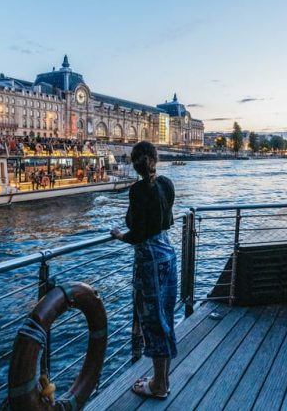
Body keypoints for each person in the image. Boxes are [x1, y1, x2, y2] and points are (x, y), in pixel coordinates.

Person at [110, 141, 177, 400]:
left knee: (153, 322)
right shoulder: (167, 184)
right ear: (155, 159)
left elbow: (137, 233)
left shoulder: (138, 190)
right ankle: (162, 378)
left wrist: (119, 236)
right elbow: (166, 220)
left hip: (149, 260)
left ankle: (159, 386)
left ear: (135, 163)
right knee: (166, 319)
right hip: (167, 254)